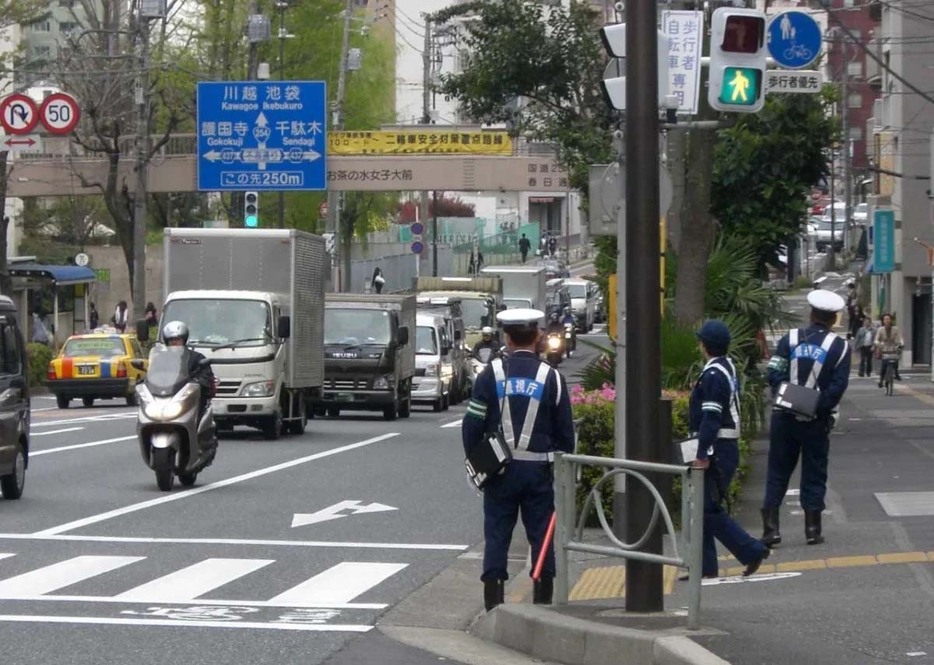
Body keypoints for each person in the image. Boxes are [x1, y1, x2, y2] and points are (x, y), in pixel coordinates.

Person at [462, 308, 575, 611]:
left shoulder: (491, 374)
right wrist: (561, 470)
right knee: (541, 534)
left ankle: (494, 602)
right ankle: (542, 598)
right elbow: (566, 434)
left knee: (497, 531)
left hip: (500, 471)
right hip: (539, 471)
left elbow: (472, 424)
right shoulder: (552, 377)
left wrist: (476, 463)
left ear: (507, 338)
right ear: (538, 336)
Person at [763, 289, 850, 547]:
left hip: (784, 417)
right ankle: (812, 528)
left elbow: (774, 373)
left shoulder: (788, 339)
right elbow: (837, 387)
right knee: (814, 471)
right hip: (816, 421)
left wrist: (789, 397)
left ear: (811, 314)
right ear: (834, 319)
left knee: (778, 470)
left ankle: (771, 529)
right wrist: (814, 405)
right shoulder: (841, 347)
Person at [689, 320, 771, 579]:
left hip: (718, 448)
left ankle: (751, 550)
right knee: (702, 507)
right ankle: (705, 567)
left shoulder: (713, 375)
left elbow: (711, 417)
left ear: (705, 345)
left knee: (707, 509)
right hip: (724, 445)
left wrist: (702, 453)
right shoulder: (725, 367)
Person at [162, 320, 215, 419]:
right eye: (171, 340)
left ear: (184, 340)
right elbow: (152, 375)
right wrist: (143, 382)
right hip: (165, 400)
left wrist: (198, 382)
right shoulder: (161, 359)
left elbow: (206, 376)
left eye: (177, 339)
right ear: (166, 342)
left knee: (200, 417)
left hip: (189, 401)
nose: (174, 342)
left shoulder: (196, 358)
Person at [874, 313, 902, 385]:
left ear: (891, 320)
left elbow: (900, 338)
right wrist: (878, 344)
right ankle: (881, 380)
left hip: (893, 349)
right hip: (884, 349)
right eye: (885, 319)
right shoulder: (880, 329)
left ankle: (896, 373)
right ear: (883, 321)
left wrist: (901, 344)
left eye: (888, 319)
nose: (887, 320)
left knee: (895, 362)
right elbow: (876, 339)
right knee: (884, 366)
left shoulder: (895, 329)